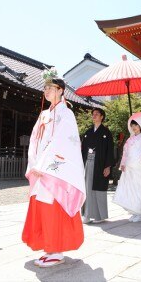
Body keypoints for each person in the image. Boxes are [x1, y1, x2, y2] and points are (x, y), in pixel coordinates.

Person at [22, 75, 86, 267]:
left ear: (60, 90)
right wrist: (34, 162)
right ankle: (49, 247)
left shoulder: (66, 114)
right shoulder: (44, 114)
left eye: (51, 87)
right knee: (43, 208)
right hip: (41, 168)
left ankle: (57, 250)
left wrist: (44, 164)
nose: (47, 90)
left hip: (54, 171)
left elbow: (64, 142)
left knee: (53, 208)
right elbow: (34, 140)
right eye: (45, 87)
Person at [113, 112, 141, 222]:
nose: (134, 127)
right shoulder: (129, 140)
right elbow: (125, 153)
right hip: (129, 168)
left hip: (140, 168)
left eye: (136, 125)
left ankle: (139, 212)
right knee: (129, 190)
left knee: (138, 190)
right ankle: (134, 211)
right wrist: (123, 164)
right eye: (132, 125)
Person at [81, 107, 114, 224]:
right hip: (88, 163)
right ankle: (87, 214)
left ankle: (99, 216)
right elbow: (83, 149)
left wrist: (108, 166)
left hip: (100, 164)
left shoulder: (106, 133)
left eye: (96, 114)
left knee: (98, 189)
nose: (94, 116)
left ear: (102, 117)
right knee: (86, 188)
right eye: (93, 114)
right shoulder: (88, 133)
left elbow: (110, 150)